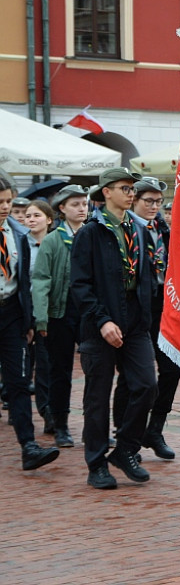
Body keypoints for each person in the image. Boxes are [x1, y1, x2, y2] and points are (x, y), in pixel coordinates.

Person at [71, 168, 158, 489]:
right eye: (125, 187)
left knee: (146, 385)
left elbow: (147, 275)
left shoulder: (137, 229)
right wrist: (102, 319)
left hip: (135, 322)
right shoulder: (91, 232)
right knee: (97, 396)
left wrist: (148, 315)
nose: (131, 193)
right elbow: (80, 285)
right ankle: (96, 464)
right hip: (100, 325)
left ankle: (125, 449)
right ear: (106, 192)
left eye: (132, 188)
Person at [111, 177, 179, 460]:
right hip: (135, 308)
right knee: (132, 375)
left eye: (158, 202)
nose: (154, 207)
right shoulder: (124, 229)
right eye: (148, 201)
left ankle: (155, 428)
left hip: (164, 306)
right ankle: (125, 433)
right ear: (134, 201)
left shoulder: (163, 229)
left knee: (172, 369)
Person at [0, 179, 61, 470]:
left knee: (19, 382)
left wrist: (28, 320)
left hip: (11, 314)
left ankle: (29, 446)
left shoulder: (18, 233)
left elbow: (24, 280)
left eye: (8, 202)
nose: (4, 208)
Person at [32, 184, 90, 448]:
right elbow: (42, 279)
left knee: (96, 372)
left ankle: (94, 425)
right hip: (60, 312)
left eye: (84, 204)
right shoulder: (53, 241)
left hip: (89, 311)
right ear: (62, 209)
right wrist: (41, 318)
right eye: (75, 204)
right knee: (60, 371)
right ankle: (60, 424)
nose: (81, 209)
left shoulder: (93, 235)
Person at [24, 200, 56, 433]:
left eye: (37, 215)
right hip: (23, 313)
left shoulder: (56, 243)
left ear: (49, 219)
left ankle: (47, 412)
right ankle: (19, 408)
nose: (31, 219)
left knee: (45, 365)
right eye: (28, 216)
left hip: (47, 312)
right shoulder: (20, 243)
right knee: (24, 364)